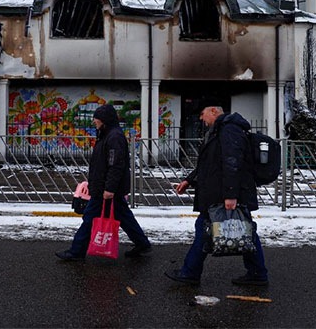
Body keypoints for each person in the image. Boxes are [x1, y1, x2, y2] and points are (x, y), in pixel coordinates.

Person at [165, 100, 268, 286]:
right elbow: (209, 164)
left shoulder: (229, 130)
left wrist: (230, 195)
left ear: (213, 111)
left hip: (223, 194)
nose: (201, 118)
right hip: (219, 192)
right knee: (244, 230)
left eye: (203, 113)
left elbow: (232, 162)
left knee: (210, 229)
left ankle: (190, 272)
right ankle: (257, 272)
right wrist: (189, 180)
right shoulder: (220, 130)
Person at [56, 104, 152, 260]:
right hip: (106, 186)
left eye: (97, 119)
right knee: (124, 216)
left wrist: (109, 188)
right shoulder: (107, 134)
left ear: (104, 120)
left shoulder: (113, 137)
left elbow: (116, 165)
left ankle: (76, 251)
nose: (94, 121)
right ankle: (142, 243)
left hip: (106, 189)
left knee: (89, 218)